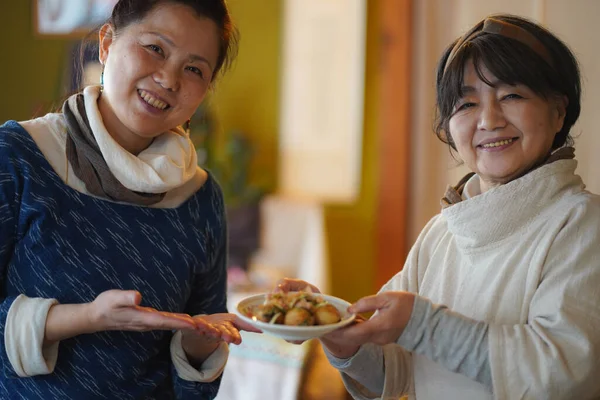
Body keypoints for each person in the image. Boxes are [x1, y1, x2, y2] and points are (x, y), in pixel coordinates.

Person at [278, 14, 600, 400]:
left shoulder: (582, 224)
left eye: (511, 95)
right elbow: (392, 374)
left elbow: (562, 376)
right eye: (466, 103)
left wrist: (423, 325)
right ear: (448, 126)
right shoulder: (442, 232)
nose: (489, 119)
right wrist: (340, 334)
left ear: (558, 111)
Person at [0, 0, 259, 398]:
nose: (169, 79)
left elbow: (194, 382)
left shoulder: (200, 197)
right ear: (106, 43)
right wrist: (84, 318)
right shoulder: (19, 156)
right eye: (155, 48)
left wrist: (198, 346)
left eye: (194, 69)